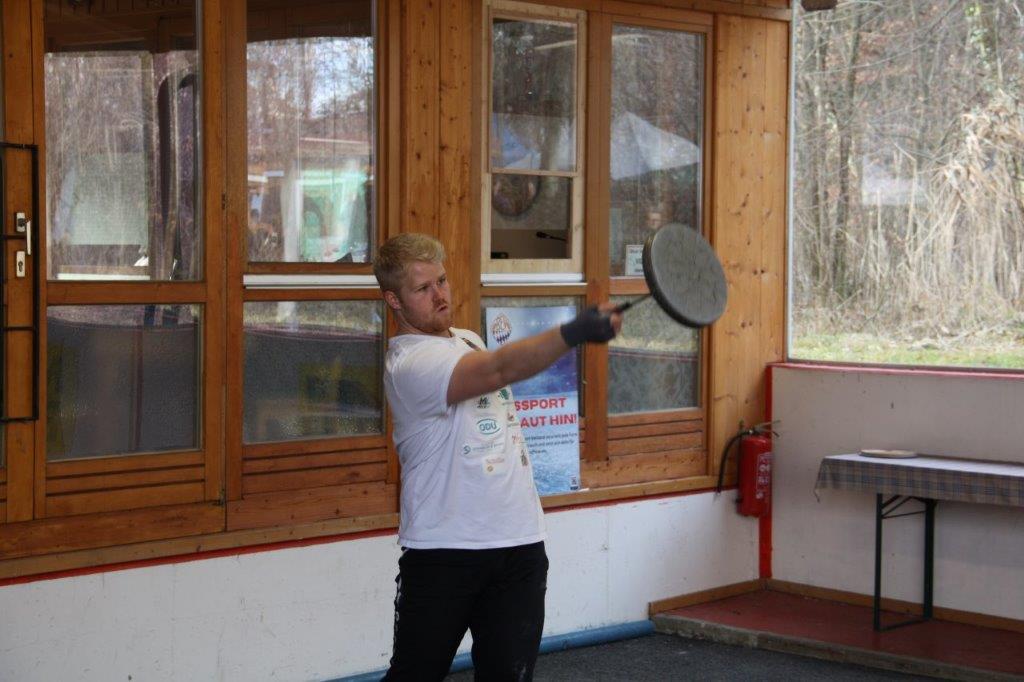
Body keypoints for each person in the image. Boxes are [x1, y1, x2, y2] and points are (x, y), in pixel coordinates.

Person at [373, 233, 622, 681]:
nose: (440, 295)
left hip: (519, 544)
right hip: (444, 550)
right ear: (394, 300)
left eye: (442, 281)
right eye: (422, 289)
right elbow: (499, 369)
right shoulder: (409, 364)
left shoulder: (467, 339)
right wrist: (574, 332)